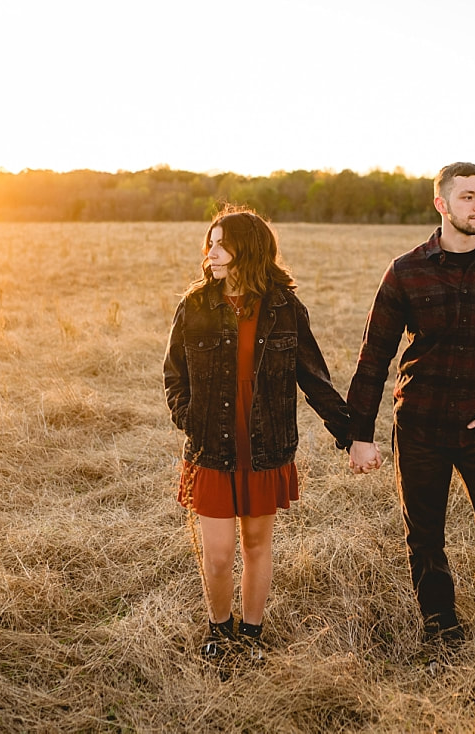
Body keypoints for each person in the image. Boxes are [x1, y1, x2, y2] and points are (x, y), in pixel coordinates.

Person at [347, 162, 475, 645]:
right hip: (419, 426)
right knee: (425, 539)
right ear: (441, 204)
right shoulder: (405, 271)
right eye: (468, 197)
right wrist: (358, 434)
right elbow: (374, 356)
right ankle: (441, 631)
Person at [163, 205, 352, 660]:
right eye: (210, 243)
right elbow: (174, 375)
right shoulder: (195, 305)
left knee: (255, 544)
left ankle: (250, 635)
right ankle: (218, 630)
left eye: (222, 243)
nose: (212, 252)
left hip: (265, 444)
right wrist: (188, 417)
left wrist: (351, 434)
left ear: (248, 249)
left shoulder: (284, 308)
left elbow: (314, 378)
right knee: (219, 554)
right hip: (211, 445)